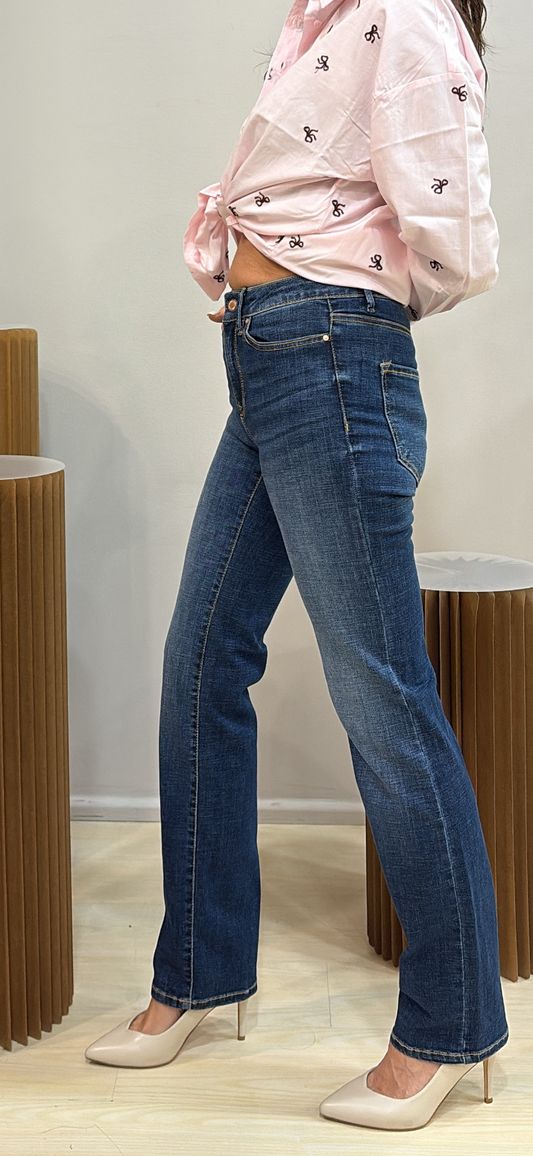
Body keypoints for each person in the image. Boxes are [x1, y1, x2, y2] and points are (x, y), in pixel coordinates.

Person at [85, 0, 509, 1131]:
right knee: (200, 663)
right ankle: (200, 972)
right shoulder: (328, 17)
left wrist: (342, 295)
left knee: (382, 698)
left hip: (328, 362)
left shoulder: (406, 14)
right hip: (269, 360)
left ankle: (450, 1025)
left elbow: (459, 238)